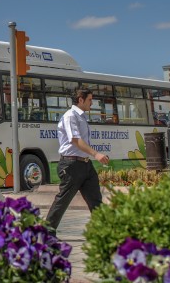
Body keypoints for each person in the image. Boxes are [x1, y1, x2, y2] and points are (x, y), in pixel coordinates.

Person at [45, 88, 110, 234]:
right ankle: (46, 233)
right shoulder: (71, 116)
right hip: (71, 165)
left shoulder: (81, 116)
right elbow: (75, 140)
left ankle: (103, 233)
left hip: (85, 164)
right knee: (63, 201)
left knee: (96, 200)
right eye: (89, 100)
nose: (91, 103)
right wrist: (96, 154)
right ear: (80, 100)